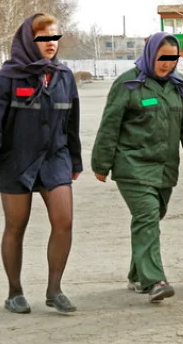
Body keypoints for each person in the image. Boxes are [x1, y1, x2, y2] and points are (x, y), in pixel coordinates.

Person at [90, 32, 183, 303]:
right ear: (150, 54)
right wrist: (101, 164)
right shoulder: (128, 84)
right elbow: (110, 125)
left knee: (152, 217)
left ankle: (136, 274)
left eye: (172, 59)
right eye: (161, 58)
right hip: (132, 165)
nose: (166, 64)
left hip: (165, 168)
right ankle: (155, 280)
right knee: (148, 216)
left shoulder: (182, 87)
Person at [0, 13, 82, 314]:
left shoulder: (64, 76)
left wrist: (74, 159)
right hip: (15, 160)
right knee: (15, 226)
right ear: (29, 40)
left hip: (55, 158)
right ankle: (14, 292)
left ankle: (54, 289)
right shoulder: (8, 77)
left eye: (54, 37)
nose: (50, 44)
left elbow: (71, 122)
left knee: (64, 222)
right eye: (43, 38)